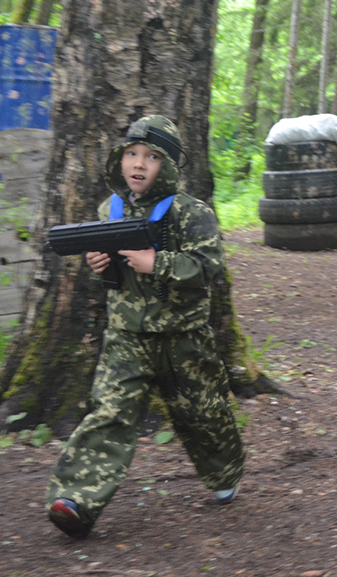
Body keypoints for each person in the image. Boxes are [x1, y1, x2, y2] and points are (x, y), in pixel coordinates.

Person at [46, 115, 245, 540]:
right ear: (119, 160)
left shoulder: (192, 213)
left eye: (152, 157)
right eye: (131, 154)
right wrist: (99, 261)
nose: (138, 164)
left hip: (183, 336)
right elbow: (109, 267)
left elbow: (207, 266)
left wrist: (159, 263)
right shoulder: (110, 210)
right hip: (127, 336)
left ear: (168, 166)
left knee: (203, 414)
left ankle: (225, 473)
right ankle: (76, 500)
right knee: (109, 413)